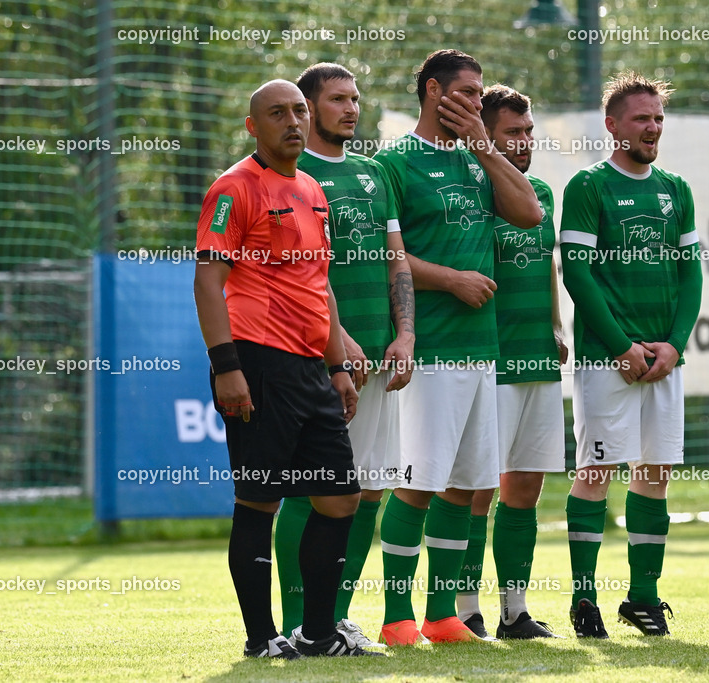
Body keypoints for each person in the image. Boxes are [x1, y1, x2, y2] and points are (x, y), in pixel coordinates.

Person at [193, 79, 383, 658]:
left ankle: (319, 635)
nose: (293, 121)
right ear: (254, 125)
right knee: (259, 500)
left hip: (310, 369)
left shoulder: (312, 190)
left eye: (299, 111)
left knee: (339, 498)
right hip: (255, 361)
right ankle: (261, 641)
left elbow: (317, 286)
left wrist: (338, 367)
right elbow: (208, 280)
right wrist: (227, 368)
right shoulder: (233, 187)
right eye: (277, 113)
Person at [373, 49, 543, 646]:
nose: (477, 103)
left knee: (468, 485)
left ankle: (443, 616)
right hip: (432, 348)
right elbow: (384, 256)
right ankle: (396, 616)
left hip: (483, 350)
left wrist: (485, 145)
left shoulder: (480, 160)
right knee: (418, 480)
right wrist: (451, 279)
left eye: (478, 95)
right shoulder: (393, 162)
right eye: (467, 93)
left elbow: (529, 213)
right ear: (432, 91)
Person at [274, 62, 415, 650]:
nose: (351, 109)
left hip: (379, 360)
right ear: (306, 109)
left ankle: (334, 618)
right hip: (314, 358)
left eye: (355, 98)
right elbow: (299, 272)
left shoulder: (374, 173)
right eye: (336, 99)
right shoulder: (290, 174)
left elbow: (396, 260)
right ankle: (294, 623)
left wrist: (404, 334)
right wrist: (341, 340)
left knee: (367, 493)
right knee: (312, 489)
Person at [559, 71, 702, 637]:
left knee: (656, 472)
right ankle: (584, 598)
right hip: (606, 360)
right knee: (596, 471)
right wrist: (621, 346)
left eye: (659, 118)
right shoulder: (587, 186)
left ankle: (643, 597)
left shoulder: (677, 188)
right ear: (613, 125)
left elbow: (691, 276)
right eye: (642, 118)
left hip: (664, 361)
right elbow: (577, 273)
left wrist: (674, 346)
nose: (653, 127)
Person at [455, 84, 567, 640]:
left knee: (524, 490)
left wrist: (555, 328)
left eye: (527, 132)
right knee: (478, 488)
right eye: (511, 134)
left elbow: (546, 268)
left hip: (538, 363)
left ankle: (515, 611)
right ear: (485, 135)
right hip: (488, 364)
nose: (523, 142)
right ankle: (464, 606)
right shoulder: (473, 191)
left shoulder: (538, 191)